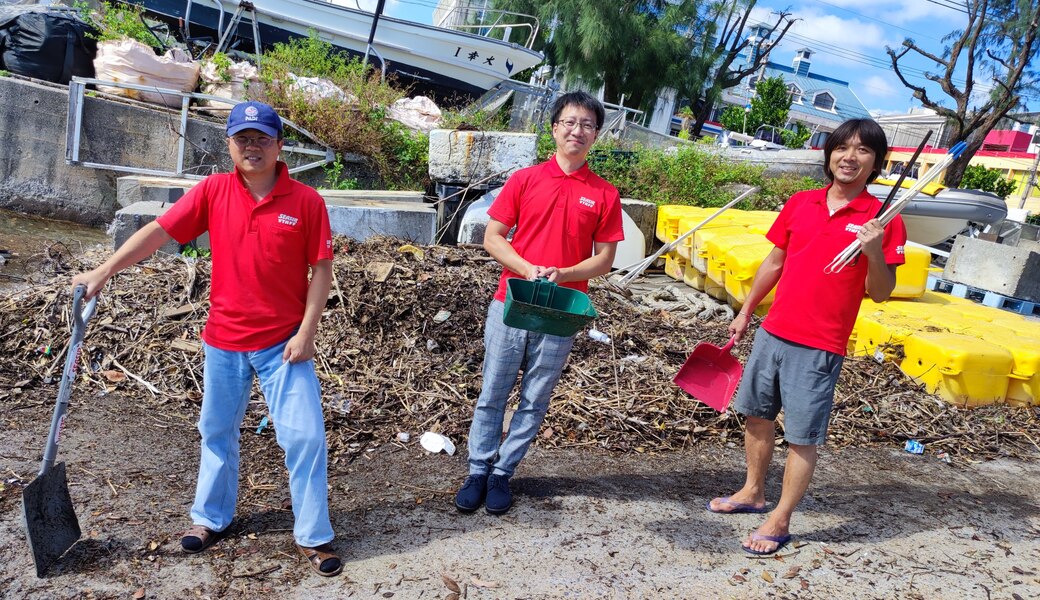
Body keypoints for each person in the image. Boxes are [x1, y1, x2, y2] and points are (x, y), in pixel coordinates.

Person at [72, 101, 343, 577]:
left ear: (280, 146)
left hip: (284, 345)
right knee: (216, 432)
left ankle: (314, 535)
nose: (252, 146)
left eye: (261, 137)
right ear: (229, 145)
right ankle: (210, 518)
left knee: (305, 436)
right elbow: (158, 232)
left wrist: (307, 331)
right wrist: (104, 270)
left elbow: (321, 269)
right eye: (243, 138)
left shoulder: (306, 201)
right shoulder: (213, 190)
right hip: (224, 341)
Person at [707, 119, 907, 556]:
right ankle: (753, 492)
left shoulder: (885, 220)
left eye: (862, 151)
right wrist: (744, 312)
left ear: (876, 163)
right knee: (757, 416)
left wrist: (873, 249)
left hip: (820, 344)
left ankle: (779, 518)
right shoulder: (801, 202)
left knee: (802, 435)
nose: (849, 157)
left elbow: (881, 292)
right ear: (829, 153)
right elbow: (774, 263)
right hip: (773, 330)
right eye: (842, 147)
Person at [454, 91, 625, 515]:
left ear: (596, 134)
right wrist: (528, 268)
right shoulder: (525, 180)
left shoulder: (604, 194)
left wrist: (565, 274)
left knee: (535, 396)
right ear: (554, 128)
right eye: (569, 122)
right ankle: (477, 470)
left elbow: (605, 259)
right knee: (493, 389)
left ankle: (502, 474)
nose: (577, 131)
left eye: (587, 124)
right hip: (512, 301)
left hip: (563, 309)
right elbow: (493, 237)